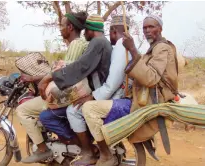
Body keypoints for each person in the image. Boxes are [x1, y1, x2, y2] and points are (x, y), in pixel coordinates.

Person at [82, 14, 179, 166]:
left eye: (151, 27)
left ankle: (106, 155)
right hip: (139, 99)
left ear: (160, 28)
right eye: (144, 28)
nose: (147, 31)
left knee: (88, 108)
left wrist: (133, 49)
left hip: (146, 103)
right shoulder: (153, 48)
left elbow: (151, 78)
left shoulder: (162, 48)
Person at [40, 15, 133, 166]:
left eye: (86, 30)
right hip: (103, 91)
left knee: (72, 110)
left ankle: (88, 151)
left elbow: (81, 67)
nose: (84, 33)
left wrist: (49, 78)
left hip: (104, 93)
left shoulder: (98, 42)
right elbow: (82, 65)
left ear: (91, 30)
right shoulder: (106, 44)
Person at [17, 11, 88, 163]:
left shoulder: (76, 44)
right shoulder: (79, 44)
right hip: (75, 93)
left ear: (70, 27)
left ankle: (43, 150)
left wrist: (38, 79)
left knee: (22, 110)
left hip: (68, 96)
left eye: (61, 25)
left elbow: (67, 74)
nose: (59, 28)